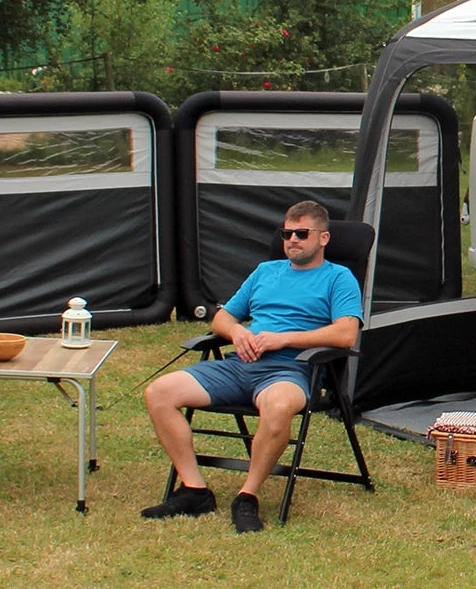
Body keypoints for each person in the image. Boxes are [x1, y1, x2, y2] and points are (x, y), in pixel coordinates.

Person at [141, 200, 363, 533]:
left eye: (302, 233)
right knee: (159, 393)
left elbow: (345, 334)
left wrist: (283, 339)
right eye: (286, 233)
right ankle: (194, 490)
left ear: (323, 238)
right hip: (240, 365)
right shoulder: (265, 272)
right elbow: (222, 317)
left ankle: (248, 495)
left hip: (291, 369)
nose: (292, 240)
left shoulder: (338, 278)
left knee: (278, 406)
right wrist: (237, 333)